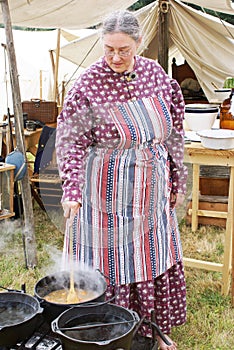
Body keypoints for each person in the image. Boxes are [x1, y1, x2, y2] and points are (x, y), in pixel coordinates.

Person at [56, 9, 187, 350]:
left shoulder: (156, 75)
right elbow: (70, 140)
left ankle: (155, 331)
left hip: (151, 190)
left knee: (151, 257)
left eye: (123, 50)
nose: (115, 57)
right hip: (106, 196)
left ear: (139, 44)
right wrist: (71, 188)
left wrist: (177, 178)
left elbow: (174, 133)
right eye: (109, 49)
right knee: (114, 263)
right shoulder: (87, 84)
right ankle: (112, 330)